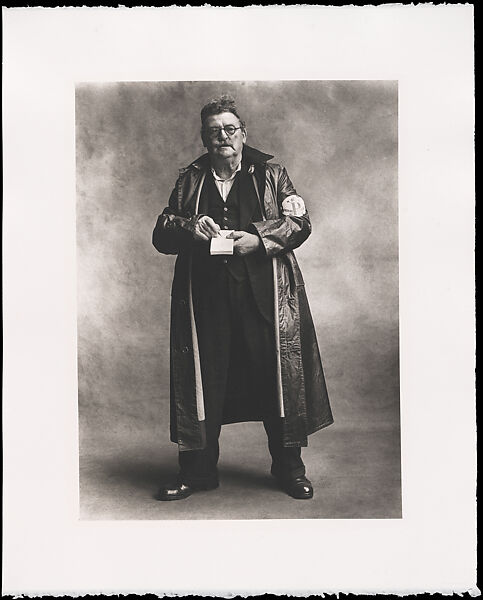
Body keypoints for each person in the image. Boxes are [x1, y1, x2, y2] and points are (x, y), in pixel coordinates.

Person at [152, 94, 333, 501]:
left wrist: (261, 238)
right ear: (204, 138)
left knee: (277, 380)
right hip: (206, 302)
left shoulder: (271, 173)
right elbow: (161, 232)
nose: (223, 137)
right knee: (205, 382)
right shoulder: (190, 179)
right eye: (214, 131)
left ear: (243, 133)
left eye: (230, 129)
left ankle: (289, 470)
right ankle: (197, 473)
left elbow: (299, 223)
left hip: (265, 296)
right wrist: (188, 227)